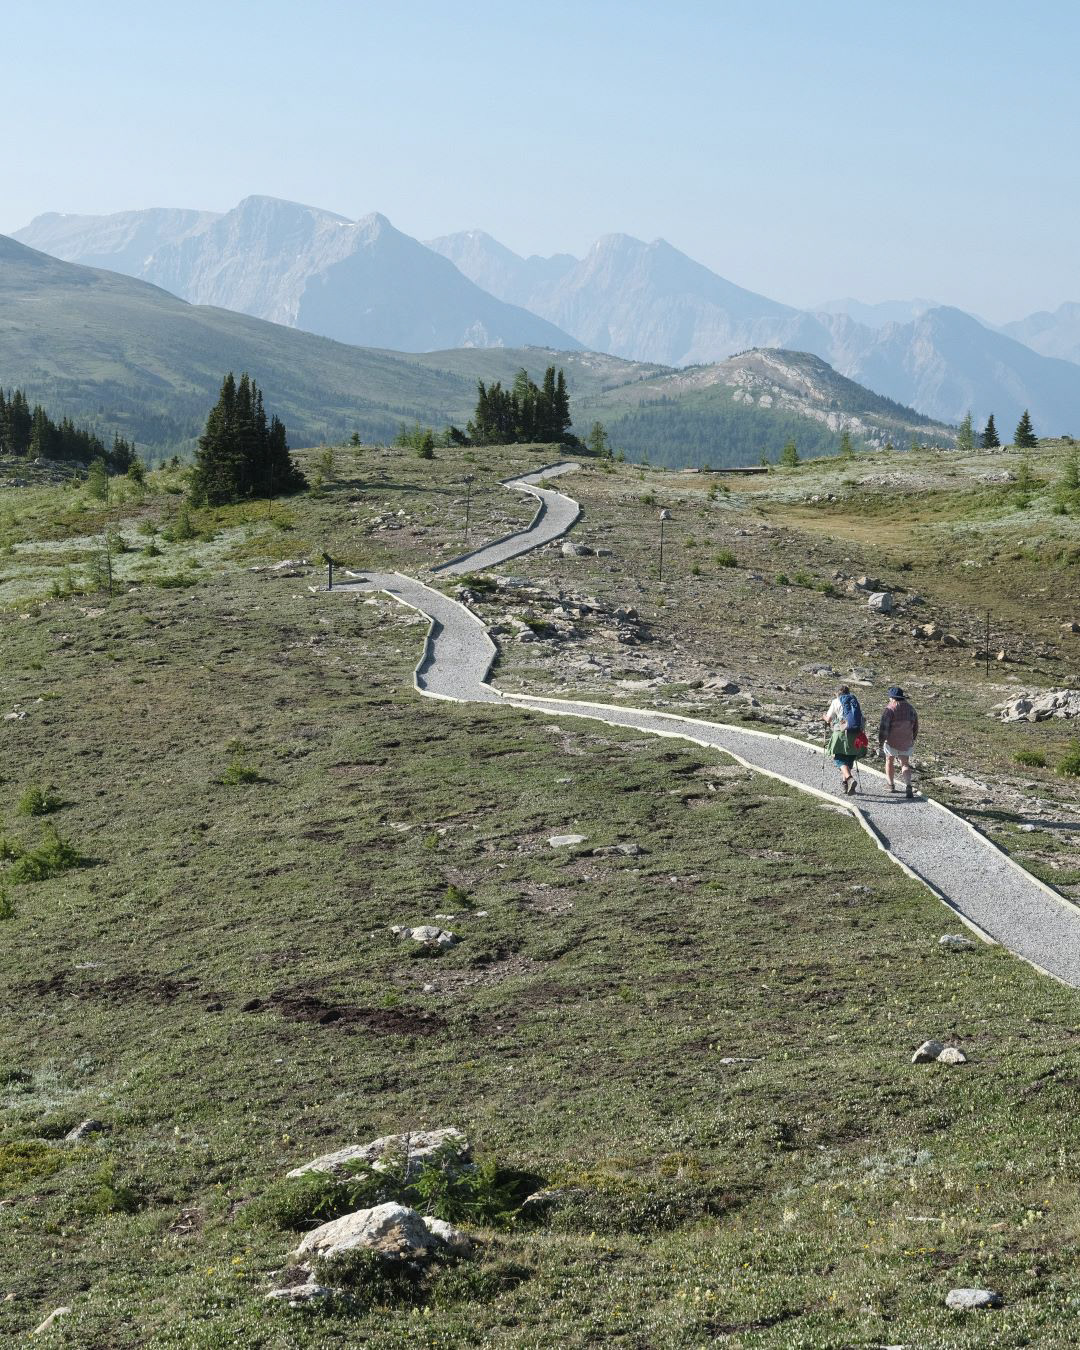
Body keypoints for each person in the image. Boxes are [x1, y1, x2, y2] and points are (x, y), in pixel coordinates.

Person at [822, 684, 866, 795]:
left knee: (839, 759)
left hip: (840, 733)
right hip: (855, 734)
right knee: (849, 759)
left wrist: (824, 716)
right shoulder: (854, 701)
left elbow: (829, 719)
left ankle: (850, 779)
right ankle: (845, 785)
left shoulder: (836, 701)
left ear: (837, 693)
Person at [879, 686, 919, 799]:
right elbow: (915, 726)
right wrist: (912, 738)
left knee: (889, 760)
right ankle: (908, 785)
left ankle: (890, 785)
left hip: (891, 740)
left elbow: (884, 727)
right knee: (905, 764)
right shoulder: (911, 708)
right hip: (906, 740)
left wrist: (881, 741)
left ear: (892, 698)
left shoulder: (890, 709)